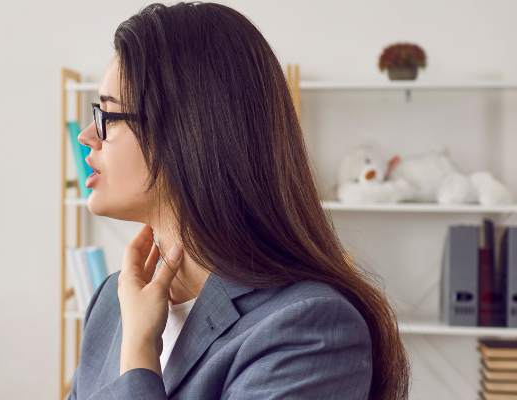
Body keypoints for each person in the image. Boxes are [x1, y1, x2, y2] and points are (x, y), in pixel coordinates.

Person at [68, 3, 409, 399]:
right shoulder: (113, 301)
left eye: (107, 114)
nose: (87, 135)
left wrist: (139, 355)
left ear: (186, 130)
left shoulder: (308, 328)